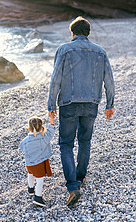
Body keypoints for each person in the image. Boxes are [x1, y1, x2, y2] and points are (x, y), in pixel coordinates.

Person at [48, 16, 115, 207]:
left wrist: (51, 105)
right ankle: (81, 177)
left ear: (72, 33)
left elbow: (55, 80)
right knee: (85, 141)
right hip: (91, 103)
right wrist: (109, 105)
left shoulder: (64, 50)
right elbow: (109, 81)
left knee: (66, 144)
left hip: (68, 103)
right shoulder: (100, 52)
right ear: (88, 33)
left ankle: (73, 186)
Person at [19, 116, 55, 207]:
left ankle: (31, 189)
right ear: (42, 127)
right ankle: (38, 197)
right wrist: (52, 119)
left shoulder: (25, 141)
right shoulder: (44, 138)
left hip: (29, 164)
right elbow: (51, 132)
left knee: (30, 174)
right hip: (39, 164)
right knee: (40, 180)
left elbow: (21, 147)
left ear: (29, 128)